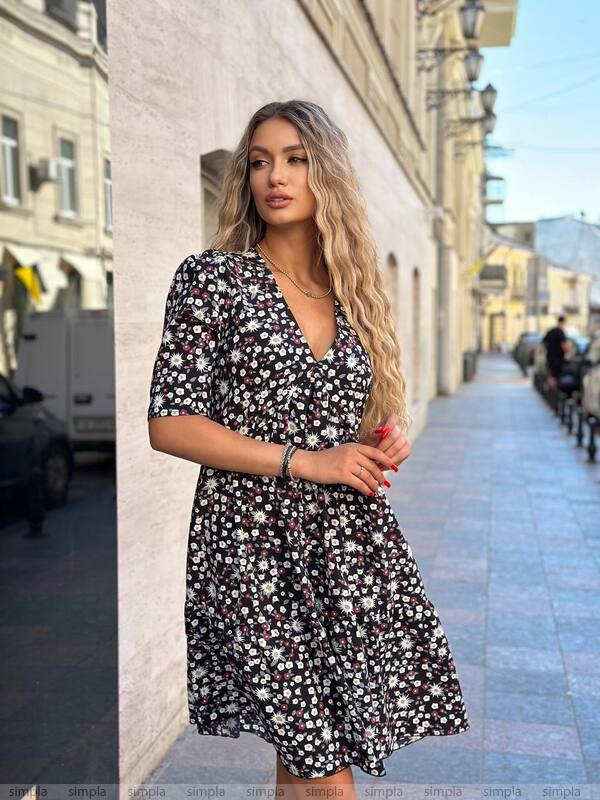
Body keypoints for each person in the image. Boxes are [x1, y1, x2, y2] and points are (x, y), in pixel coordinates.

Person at [147, 100, 469, 793]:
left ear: (327, 172)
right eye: (259, 161)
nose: (274, 176)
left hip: (346, 550)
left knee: (305, 763)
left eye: (295, 158)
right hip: (250, 549)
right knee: (327, 775)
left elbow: (356, 418)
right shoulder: (214, 280)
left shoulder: (356, 293)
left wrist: (385, 437)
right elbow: (169, 423)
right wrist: (304, 461)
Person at [542, 315, 570, 389]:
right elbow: (564, 346)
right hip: (558, 358)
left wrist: (550, 349)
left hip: (549, 357)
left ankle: (549, 390)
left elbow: (543, 342)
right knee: (554, 377)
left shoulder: (551, 331)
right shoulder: (560, 332)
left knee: (551, 375)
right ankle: (552, 392)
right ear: (563, 322)